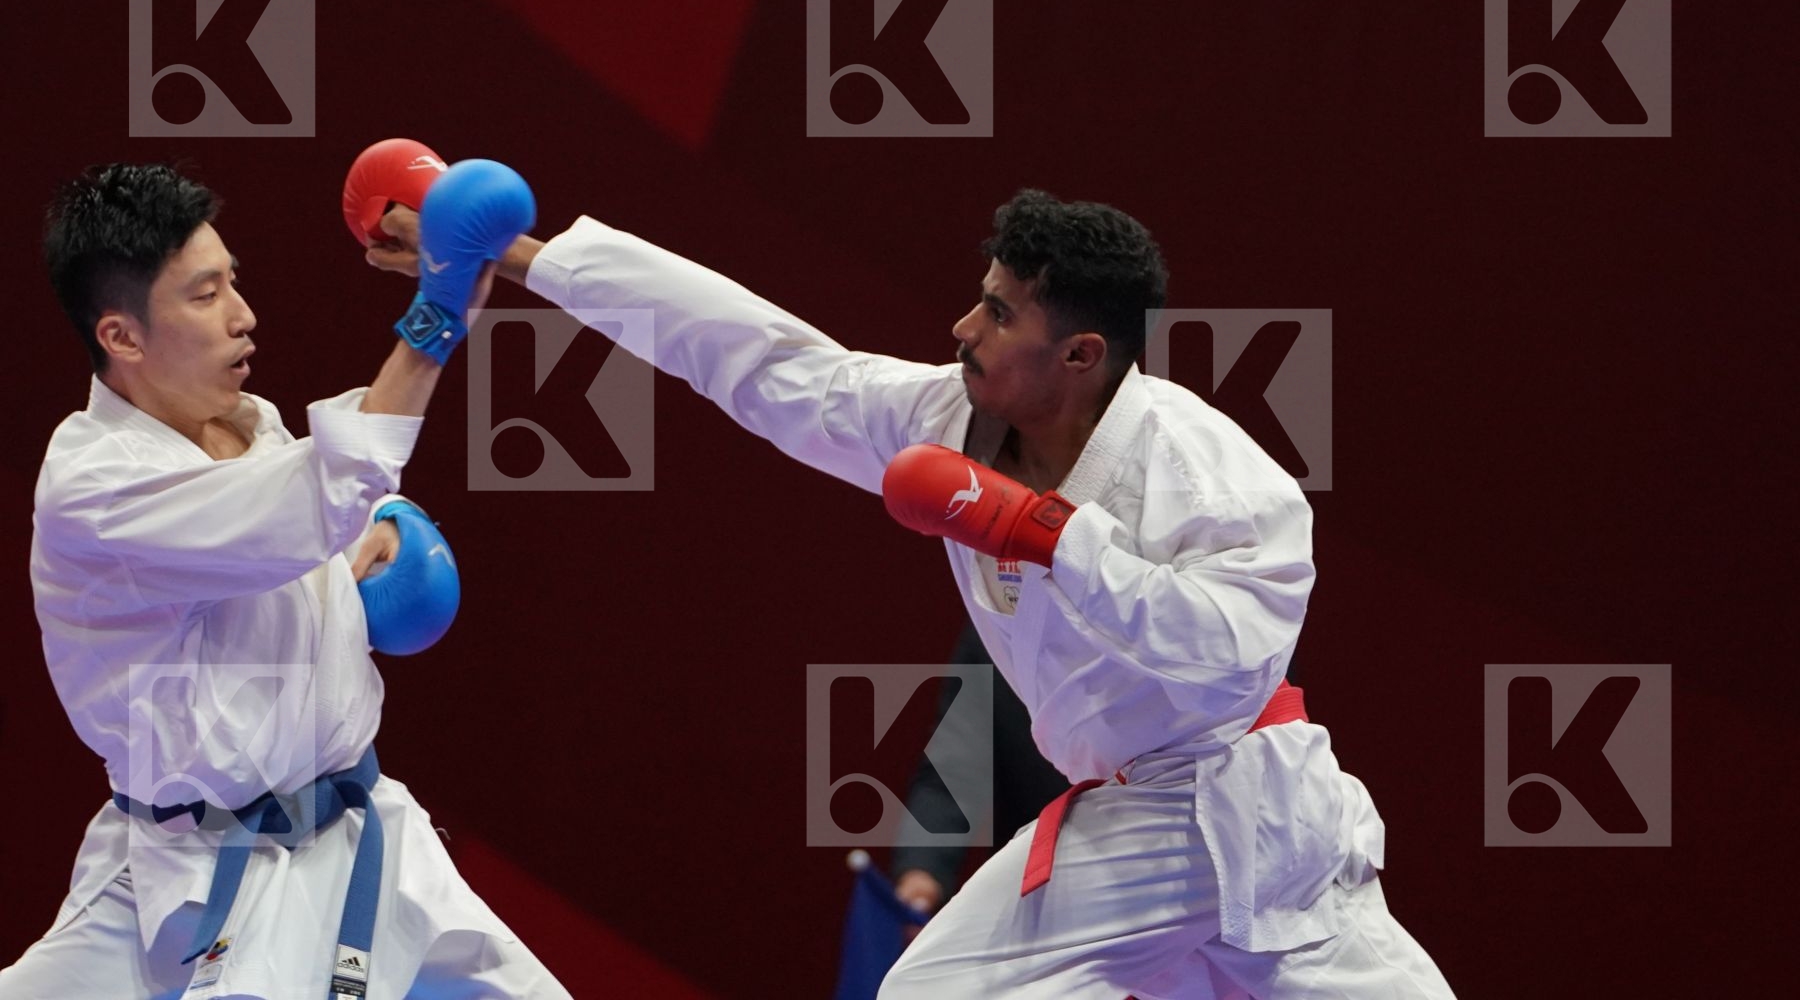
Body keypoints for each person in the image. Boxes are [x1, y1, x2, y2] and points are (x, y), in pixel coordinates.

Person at [371, 185, 1454, 998]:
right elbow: (761, 361)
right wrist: (525, 260)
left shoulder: (1207, 468)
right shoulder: (948, 420)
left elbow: (1234, 648)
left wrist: (1048, 534)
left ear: (1080, 352)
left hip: (1244, 802)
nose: (962, 331)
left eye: (997, 316)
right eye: (976, 302)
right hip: (1141, 812)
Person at [3, 159, 569, 998]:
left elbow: (267, 552)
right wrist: (437, 315)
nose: (243, 316)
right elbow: (309, 502)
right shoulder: (97, 487)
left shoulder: (245, 420)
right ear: (121, 337)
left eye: (233, 280)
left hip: (363, 834)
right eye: (204, 296)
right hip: (207, 873)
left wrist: (356, 553)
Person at [889, 621, 1068, 923]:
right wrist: (922, 871)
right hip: (1037, 905)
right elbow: (954, 774)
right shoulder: (997, 627)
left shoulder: (1164, 615)